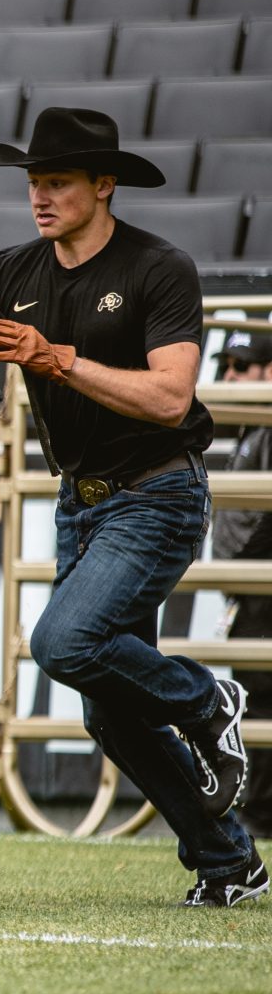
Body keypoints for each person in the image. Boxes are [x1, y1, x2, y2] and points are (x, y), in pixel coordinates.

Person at [0, 107, 263, 907]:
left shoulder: (158, 269)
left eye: (58, 180)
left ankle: (211, 701)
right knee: (108, 717)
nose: (40, 195)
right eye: (34, 181)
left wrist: (57, 360)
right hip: (83, 503)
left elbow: (172, 398)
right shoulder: (9, 272)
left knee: (64, 640)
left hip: (159, 490)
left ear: (105, 185)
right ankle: (228, 860)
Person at [214, 335, 272, 840]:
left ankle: (262, 810)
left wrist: (246, 571)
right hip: (249, 588)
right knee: (257, 691)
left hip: (262, 590)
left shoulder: (266, 428)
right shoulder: (251, 428)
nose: (230, 376)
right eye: (227, 366)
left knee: (264, 693)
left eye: (243, 366)